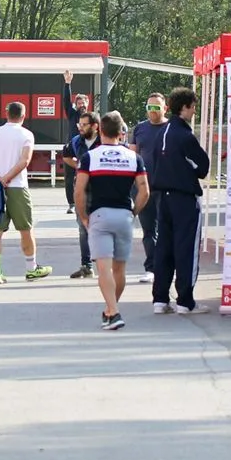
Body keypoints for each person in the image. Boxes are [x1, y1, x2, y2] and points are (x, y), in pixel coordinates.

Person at [76, 112, 150, 330]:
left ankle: (114, 312)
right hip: (124, 215)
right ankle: (110, 310)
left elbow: (79, 191)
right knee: (119, 270)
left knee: (104, 269)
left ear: (100, 130)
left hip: (100, 215)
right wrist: (133, 212)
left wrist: (83, 216)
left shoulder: (90, 157)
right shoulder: (134, 158)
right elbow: (145, 191)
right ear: (121, 133)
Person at [151, 88, 211, 314]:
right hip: (184, 198)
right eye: (192, 107)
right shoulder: (185, 136)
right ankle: (185, 301)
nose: (194, 111)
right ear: (183, 108)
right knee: (186, 248)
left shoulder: (161, 133)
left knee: (164, 248)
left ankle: (160, 299)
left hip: (162, 198)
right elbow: (202, 167)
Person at [0, 102, 53, 282]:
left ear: (6, 114)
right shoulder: (26, 135)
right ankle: (31, 268)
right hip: (18, 187)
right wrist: (7, 178)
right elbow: (24, 161)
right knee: (26, 229)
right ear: (23, 116)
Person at [130, 92, 169, 284]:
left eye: (156, 107)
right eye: (149, 107)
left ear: (165, 108)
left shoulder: (172, 128)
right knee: (148, 231)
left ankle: (167, 267)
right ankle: (151, 268)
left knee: (166, 230)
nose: (152, 111)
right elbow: (132, 157)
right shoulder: (139, 129)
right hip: (143, 189)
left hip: (167, 188)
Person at [64, 111, 100, 278]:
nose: (80, 127)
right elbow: (66, 156)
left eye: (84, 125)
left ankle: (106, 264)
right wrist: (79, 165)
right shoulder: (76, 141)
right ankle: (86, 265)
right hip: (82, 189)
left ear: (95, 126)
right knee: (83, 227)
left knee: (102, 227)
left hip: (101, 190)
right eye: (80, 124)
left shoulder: (104, 141)